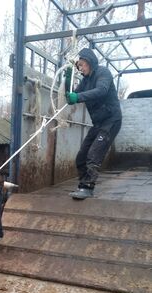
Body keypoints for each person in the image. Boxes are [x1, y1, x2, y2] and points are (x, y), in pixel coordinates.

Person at [66, 48, 122, 200]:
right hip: (98, 123)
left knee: (93, 154)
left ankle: (88, 187)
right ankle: (83, 184)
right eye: (79, 66)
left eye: (82, 65)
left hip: (112, 120)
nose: (81, 68)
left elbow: (101, 91)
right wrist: (68, 79)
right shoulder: (85, 81)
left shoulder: (103, 73)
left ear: (90, 62)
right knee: (81, 156)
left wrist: (77, 96)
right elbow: (71, 97)